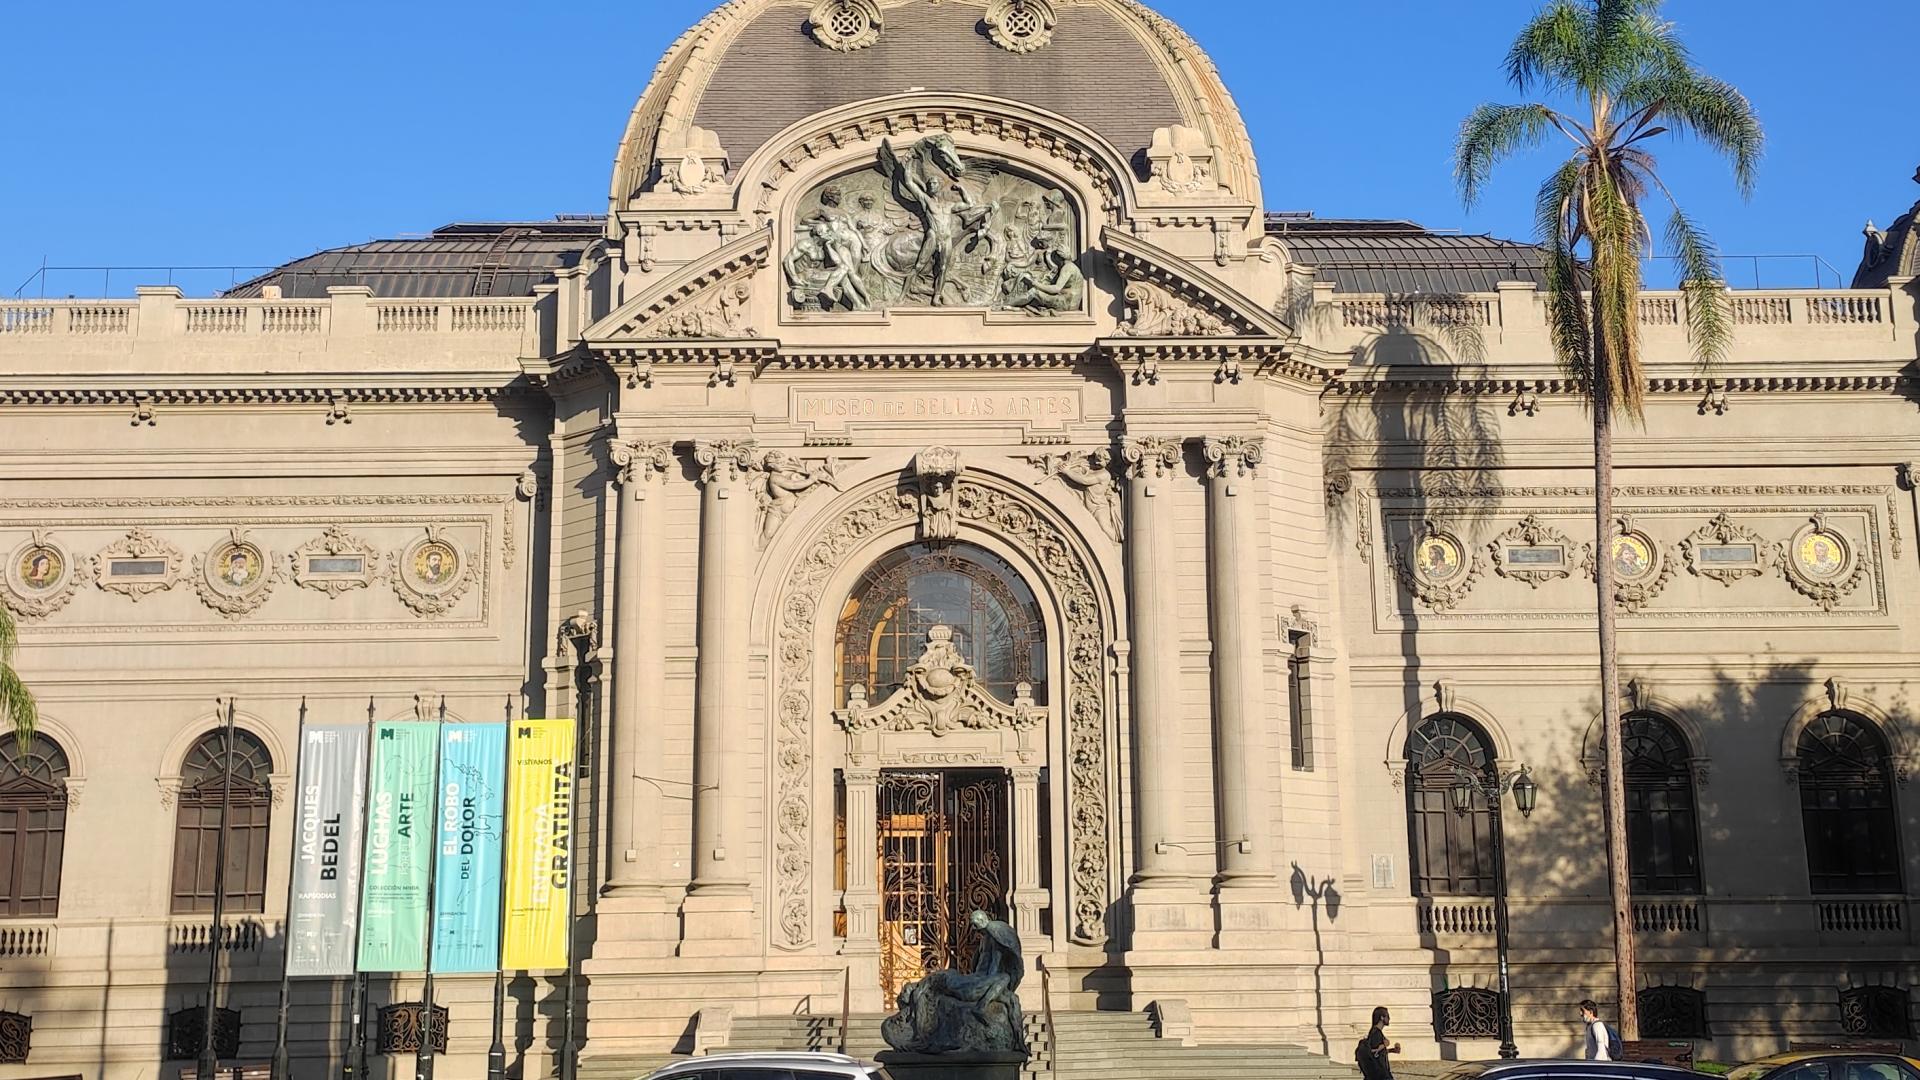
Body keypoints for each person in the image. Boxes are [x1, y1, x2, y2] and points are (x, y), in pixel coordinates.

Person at [1356, 1007, 1399, 1080]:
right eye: (1387, 1016)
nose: (1389, 1018)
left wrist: (1391, 1050)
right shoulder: (1376, 1034)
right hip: (1380, 1075)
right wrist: (1384, 1045)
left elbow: (1377, 1052)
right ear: (1382, 1017)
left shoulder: (1375, 1033)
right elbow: (1374, 1054)